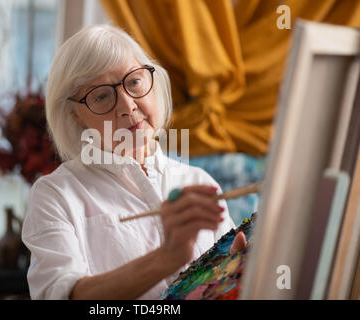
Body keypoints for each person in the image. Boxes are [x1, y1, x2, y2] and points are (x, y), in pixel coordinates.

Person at [21, 24, 246, 300]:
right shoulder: (55, 194)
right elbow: (59, 295)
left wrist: (235, 277)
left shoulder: (199, 183)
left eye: (134, 82)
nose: (127, 106)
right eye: (102, 96)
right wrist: (166, 258)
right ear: (76, 116)